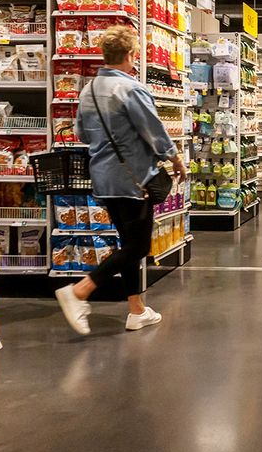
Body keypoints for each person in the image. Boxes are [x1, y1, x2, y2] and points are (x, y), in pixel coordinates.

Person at [55, 25, 188, 335]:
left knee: (127, 243)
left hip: (103, 178)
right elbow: (153, 130)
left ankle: (136, 310)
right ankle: (79, 292)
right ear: (131, 55)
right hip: (134, 180)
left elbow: (82, 134)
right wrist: (175, 158)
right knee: (138, 245)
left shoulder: (88, 90)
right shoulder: (131, 89)